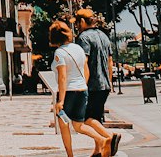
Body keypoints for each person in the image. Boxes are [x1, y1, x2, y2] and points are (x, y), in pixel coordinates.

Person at [49, 20, 118, 157]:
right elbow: (86, 70)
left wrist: (60, 101)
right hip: (82, 89)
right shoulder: (78, 49)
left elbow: (62, 77)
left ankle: (70, 155)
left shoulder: (59, 53)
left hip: (68, 92)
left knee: (64, 125)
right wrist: (83, 86)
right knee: (78, 125)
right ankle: (103, 139)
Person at [75, 8, 115, 140]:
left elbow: (84, 62)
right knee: (97, 118)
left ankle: (110, 137)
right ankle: (99, 150)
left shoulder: (83, 38)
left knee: (86, 119)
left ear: (82, 21)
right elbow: (110, 61)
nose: (76, 26)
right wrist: (110, 81)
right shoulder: (104, 36)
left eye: (76, 22)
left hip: (92, 85)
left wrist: (82, 85)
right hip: (105, 85)